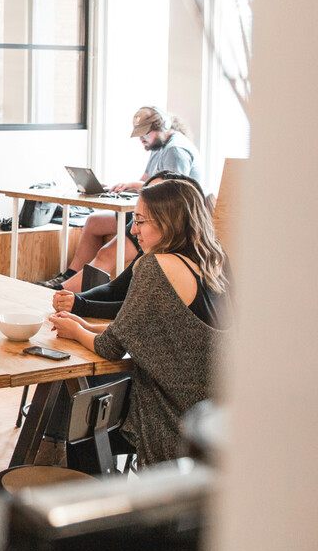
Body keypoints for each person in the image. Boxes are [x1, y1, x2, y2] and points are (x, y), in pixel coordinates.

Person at [49, 179, 231, 467]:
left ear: (168, 222)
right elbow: (139, 330)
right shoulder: (211, 263)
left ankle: (96, 507)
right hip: (211, 415)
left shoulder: (156, 266)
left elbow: (110, 347)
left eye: (139, 221)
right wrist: (83, 326)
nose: (133, 231)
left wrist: (75, 331)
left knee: (81, 430)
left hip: (171, 420)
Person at [38, 106, 203, 291]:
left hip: (165, 220)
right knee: (93, 222)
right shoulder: (158, 146)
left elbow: (172, 194)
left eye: (145, 134)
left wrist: (136, 185)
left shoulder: (176, 150)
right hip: (150, 212)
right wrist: (124, 188)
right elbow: (146, 181)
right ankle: (68, 277)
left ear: (162, 127)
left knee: (107, 253)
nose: (142, 139)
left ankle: (65, 292)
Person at [51, 172, 207, 320]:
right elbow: (117, 289)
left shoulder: (166, 264)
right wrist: (73, 298)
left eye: (140, 219)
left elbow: (131, 318)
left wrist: (79, 305)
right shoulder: (163, 251)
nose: (133, 230)